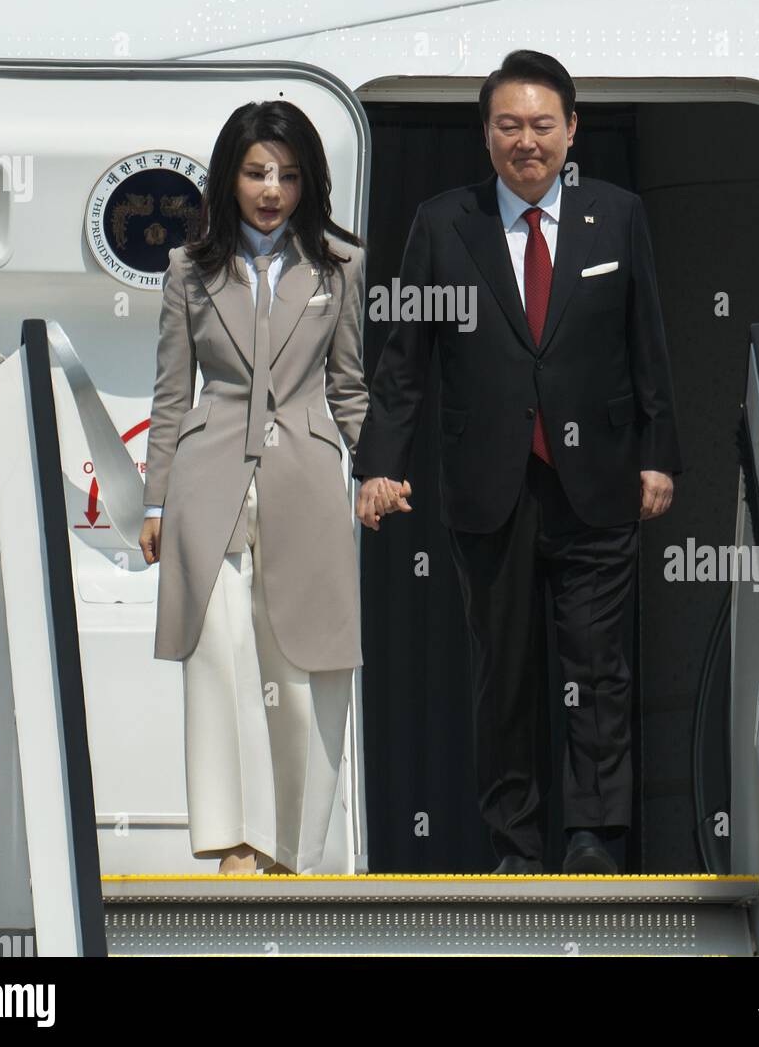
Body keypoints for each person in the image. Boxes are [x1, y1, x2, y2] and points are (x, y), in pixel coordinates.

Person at [353, 50, 683, 875]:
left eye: (542, 124)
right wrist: (378, 465)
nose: (526, 141)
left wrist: (657, 456)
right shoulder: (443, 222)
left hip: (599, 481)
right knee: (502, 673)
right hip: (487, 484)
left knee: (596, 667)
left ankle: (594, 839)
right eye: (508, 125)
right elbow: (404, 359)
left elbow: (649, 345)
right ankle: (515, 845)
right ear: (485, 134)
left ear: (571, 130)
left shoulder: (618, 215)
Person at [139, 100, 396, 875]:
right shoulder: (189, 269)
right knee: (217, 653)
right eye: (256, 172)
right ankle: (233, 841)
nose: (271, 188)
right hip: (204, 478)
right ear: (230, 178)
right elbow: (169, 394)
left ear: (307, 180)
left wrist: (375, 465)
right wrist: (154, 501)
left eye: (286, 173)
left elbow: (348, 385)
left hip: (308, 479)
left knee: (301, 660)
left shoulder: (340, 264)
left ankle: (295, 848)